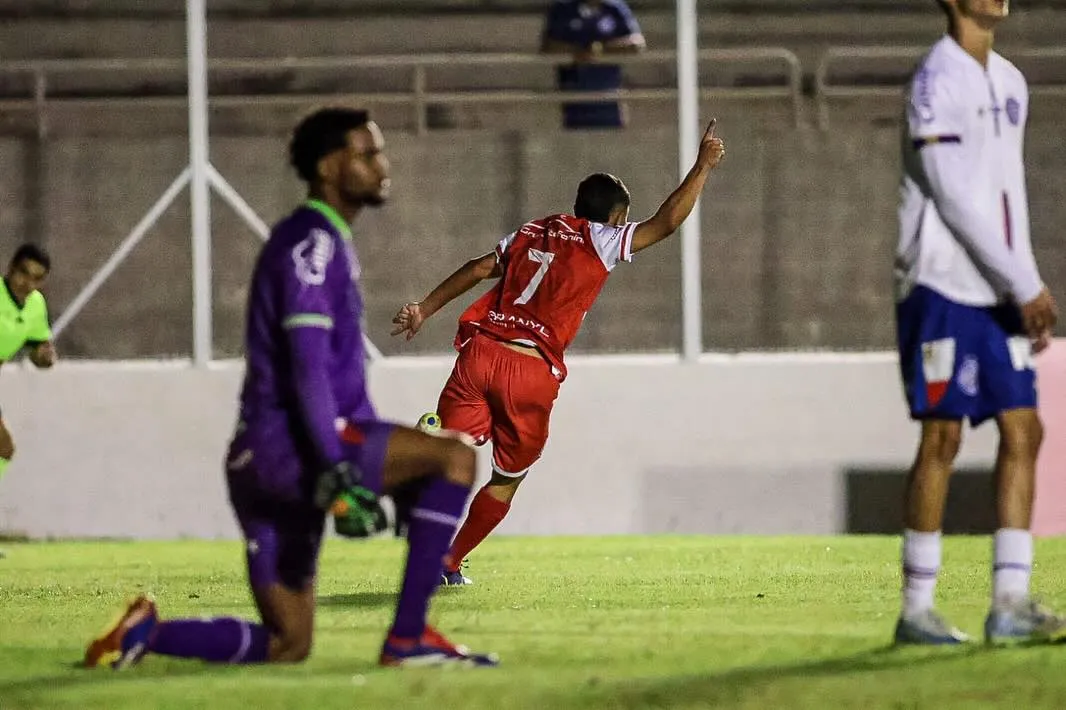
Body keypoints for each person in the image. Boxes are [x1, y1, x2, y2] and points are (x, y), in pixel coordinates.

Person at [83, 108, 498, 669]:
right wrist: (337, 467)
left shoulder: (323, 241)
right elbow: (307, 367)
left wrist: (386, 466)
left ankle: (146, 634)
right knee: (456, 457)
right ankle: (407, 639)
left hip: (257, 463)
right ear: (330, 167)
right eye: (367, 153)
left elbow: (338, 380)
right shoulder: (313, 244)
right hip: (292, 449)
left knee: (289, 644)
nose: (383, 164)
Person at [392, 120, 726, 585]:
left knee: (456, 454)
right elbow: (666, 223)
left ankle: (432, 444)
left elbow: (479, 268)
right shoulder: (602, 239)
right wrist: (702, 166)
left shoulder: (533, 231)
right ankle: (448, 563)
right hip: (529, 370)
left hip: (480, 354)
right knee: (507, 478)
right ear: (614, 218)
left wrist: (424, 307)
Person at [893, 0, 1066, 646]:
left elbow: (1005, 197)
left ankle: (1010, 605)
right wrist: (1019, 281)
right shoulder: (935, 79)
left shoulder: (1011, 80)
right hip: (939, 282)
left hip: (997, 290)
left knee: (1025, 431)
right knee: (942, 439)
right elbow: (949, 192)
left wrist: (1024, 285)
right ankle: (916, 609)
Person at [541, 0, 646, 129]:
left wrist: (600, 49)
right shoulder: (563, 8)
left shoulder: (615, 8)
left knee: (611, 144)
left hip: (609, 96)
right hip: (574, 98)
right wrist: (578, 52)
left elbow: (637, 44)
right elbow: (549, 47)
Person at [0, 244, 57, 482]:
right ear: (11, 268)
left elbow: (37, 349)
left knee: (4, 450)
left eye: (37, 279)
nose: (28, 284)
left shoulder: (35, 305)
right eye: (24, 273)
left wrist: (44, 357)